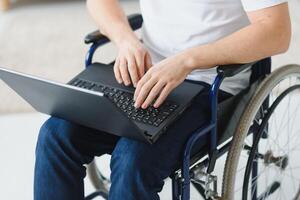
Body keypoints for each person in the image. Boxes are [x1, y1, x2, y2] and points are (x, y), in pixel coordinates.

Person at [34, 0, 291, 199]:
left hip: (209, 82)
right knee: (55, 135)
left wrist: (188, 60)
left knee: (133, 160)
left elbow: (276, 32)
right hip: (144, 71)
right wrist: (126, 40)